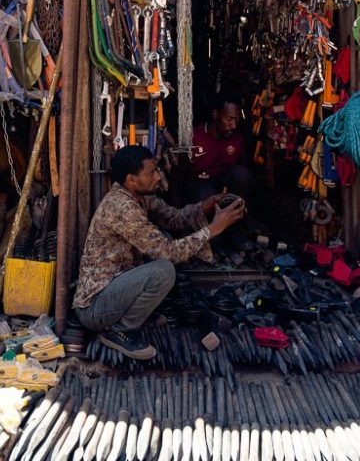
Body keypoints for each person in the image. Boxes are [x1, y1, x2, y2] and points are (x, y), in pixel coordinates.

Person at [73, 145, 246, 360]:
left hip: (114, 291)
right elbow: (168, 253)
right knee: (163, 270)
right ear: (131, 179)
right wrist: (213, 229)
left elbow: (174, 218)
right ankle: (118, 330)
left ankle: (128, 317)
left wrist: (206, 206)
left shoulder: (141, 198)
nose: (158, 176)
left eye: (157, 170)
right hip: (95, 307)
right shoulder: (122, 207)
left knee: (162, 238)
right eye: (151, 173)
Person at [186, 94, 251, 202]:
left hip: (223, 183)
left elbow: (241, 168)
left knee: (241, 174)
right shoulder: (194, 137)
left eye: (237, 120)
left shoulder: (237, 138)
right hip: (200, 185)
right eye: (229, 119)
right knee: (205, 194)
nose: (234, 125)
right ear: (215, 114)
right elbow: (178, 176)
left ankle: (238, 212)